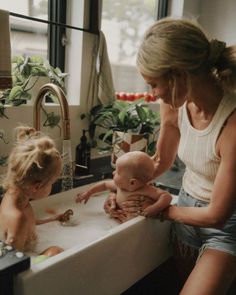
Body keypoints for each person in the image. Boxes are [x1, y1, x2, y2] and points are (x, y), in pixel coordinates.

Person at [119, 17, 236, 294]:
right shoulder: (174, 104)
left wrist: (161, 210)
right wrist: (124, 190)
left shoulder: (232, 124)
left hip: (224, 227)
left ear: (178, 76)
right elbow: (158, 163)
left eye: (153, 84)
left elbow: (216, 216)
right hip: (185, 210)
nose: (152, 93)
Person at [0, 126, 64, 251]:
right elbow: (14, 266)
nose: (52, 186)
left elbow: (29, 223)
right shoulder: (17, 218)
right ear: (37, 187)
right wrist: (50, 253)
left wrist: (52, 219)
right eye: (52, 183)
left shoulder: (19, 200)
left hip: (29, 250)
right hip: (27, 263)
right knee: (56, 251)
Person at [76, 151, 172, 222]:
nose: (113, 172)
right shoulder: (120, 186)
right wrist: (89, 193)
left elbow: (166, 196)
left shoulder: (146, 190)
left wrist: (153, 209)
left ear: (132, 183)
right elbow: (104, 184)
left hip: (134, 226)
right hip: (116, 221)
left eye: (117, 172)